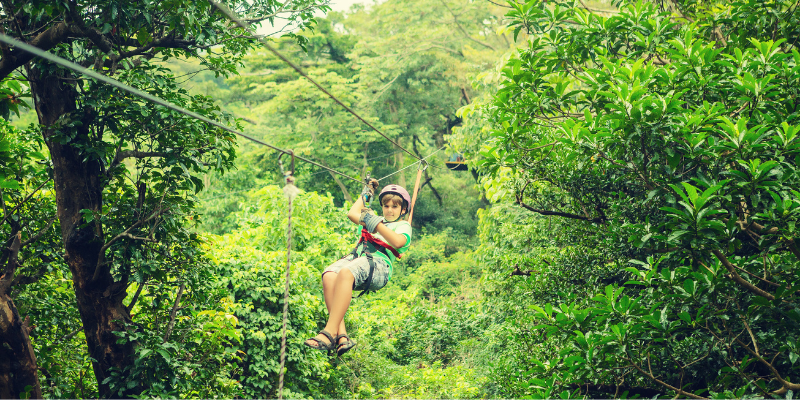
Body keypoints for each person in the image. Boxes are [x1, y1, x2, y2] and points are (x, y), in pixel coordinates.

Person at [303, 179, 413, 356]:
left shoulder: (403, 226)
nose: (390, 210)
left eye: (394, 207)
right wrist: (368, 190)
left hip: (379, 266)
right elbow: (352, 213)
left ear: (403, 210)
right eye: (386, 206)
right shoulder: (374, 221)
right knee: (330, 275)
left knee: (346, 272)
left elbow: (398, 241)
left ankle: (329, 332)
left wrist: (375, 223)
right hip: (360, 259)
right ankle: (341, 336)